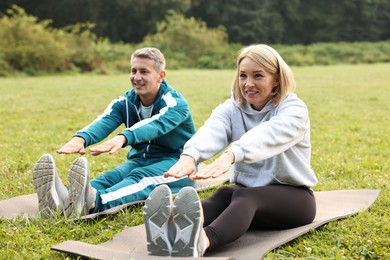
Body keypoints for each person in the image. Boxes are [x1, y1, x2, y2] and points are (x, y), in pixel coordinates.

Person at [142, 44, 318, 257]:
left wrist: (231, 155)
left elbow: (267, 135)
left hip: (295, 199)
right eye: (243, 75)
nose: (248, 83)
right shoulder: (233, 107)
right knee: (225, 193)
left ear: (277, 79)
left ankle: (203, 241)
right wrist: (190, 155)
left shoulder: (294, 110)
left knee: (245, 196)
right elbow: (213, 129)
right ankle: (169, 230)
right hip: (251, 193)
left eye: (258, 76)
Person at [32, 47, 196, 217]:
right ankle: (61, 197)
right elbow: (105, 120)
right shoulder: (125, 101)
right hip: (140, 160)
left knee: (139, 179)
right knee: (111, 178)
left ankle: (94, 203)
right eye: (133, 71)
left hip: (176, 165)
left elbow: (155, 124)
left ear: (161, 76)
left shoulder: (176, 104)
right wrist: (80, 139)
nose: (136, 77)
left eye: (144, 72)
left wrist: (123, 137)